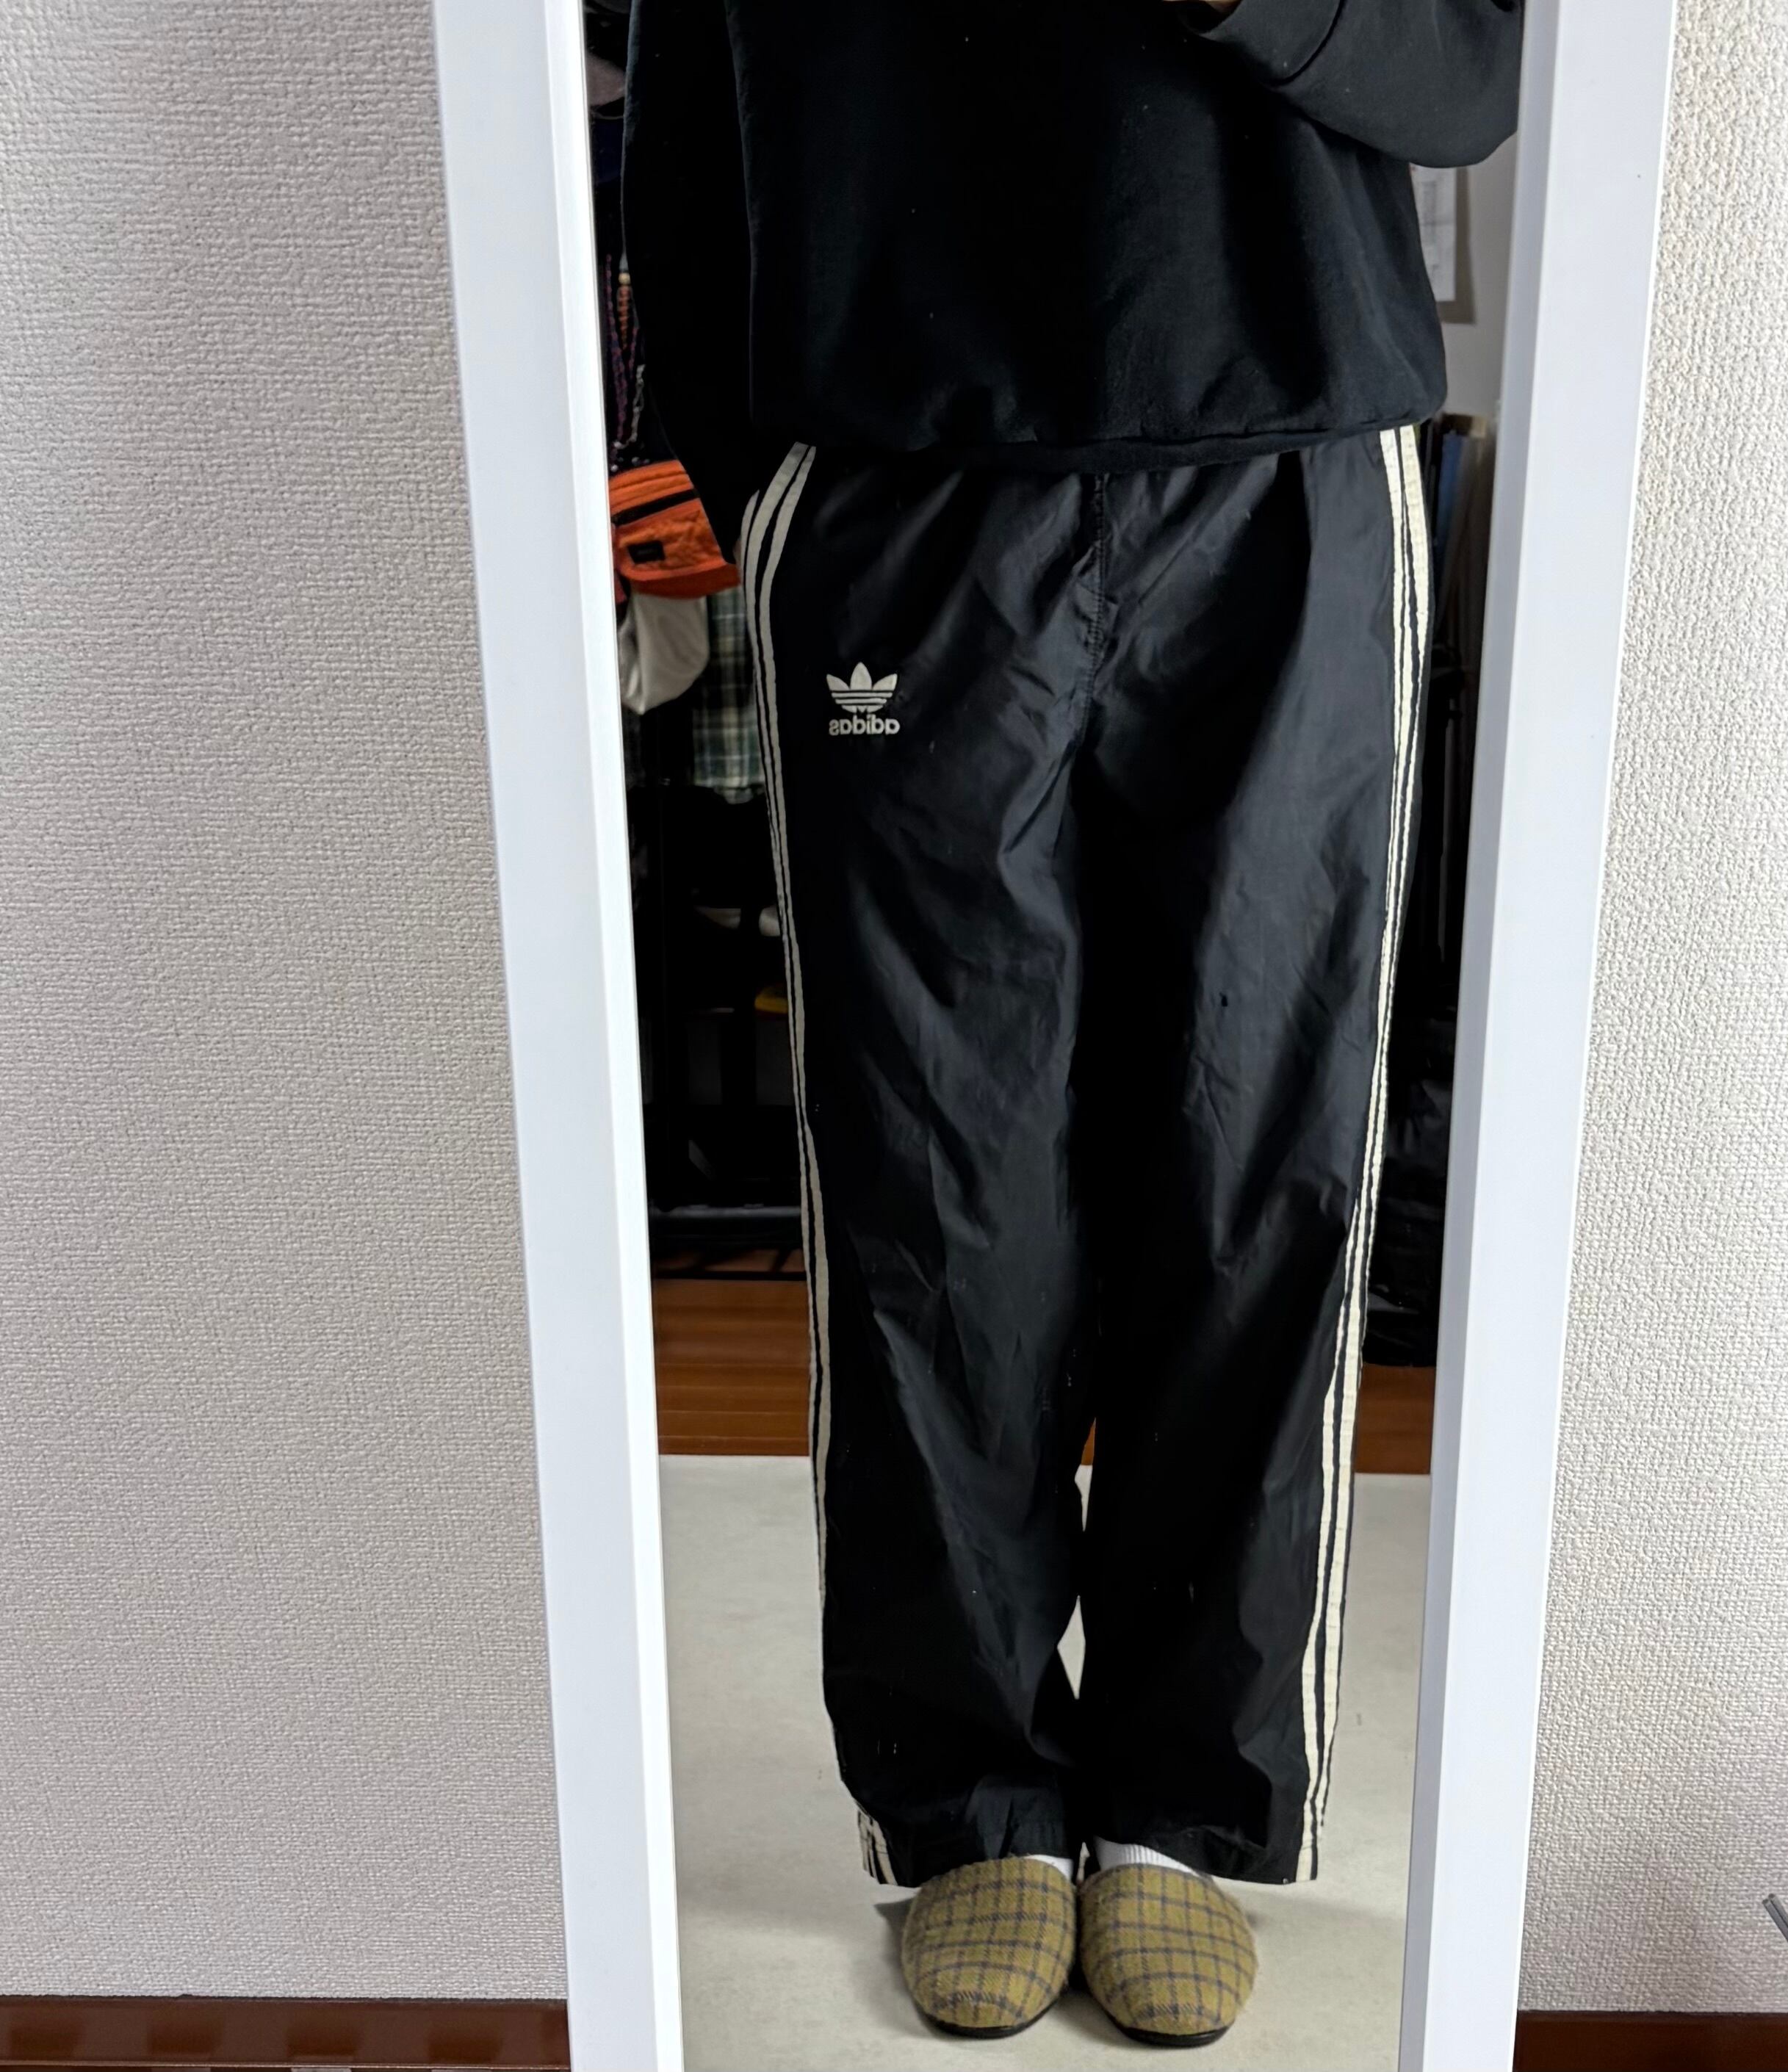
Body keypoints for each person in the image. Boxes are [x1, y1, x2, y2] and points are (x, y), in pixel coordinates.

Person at [624, 0, 1520, 2043]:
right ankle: (973, 1803)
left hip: (1287, 461)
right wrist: (711, 471)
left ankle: (1183, 1812)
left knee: (1259, 1155)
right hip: (902, 463)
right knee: (933, 1178)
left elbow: (1474, 77)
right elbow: (687, 107)